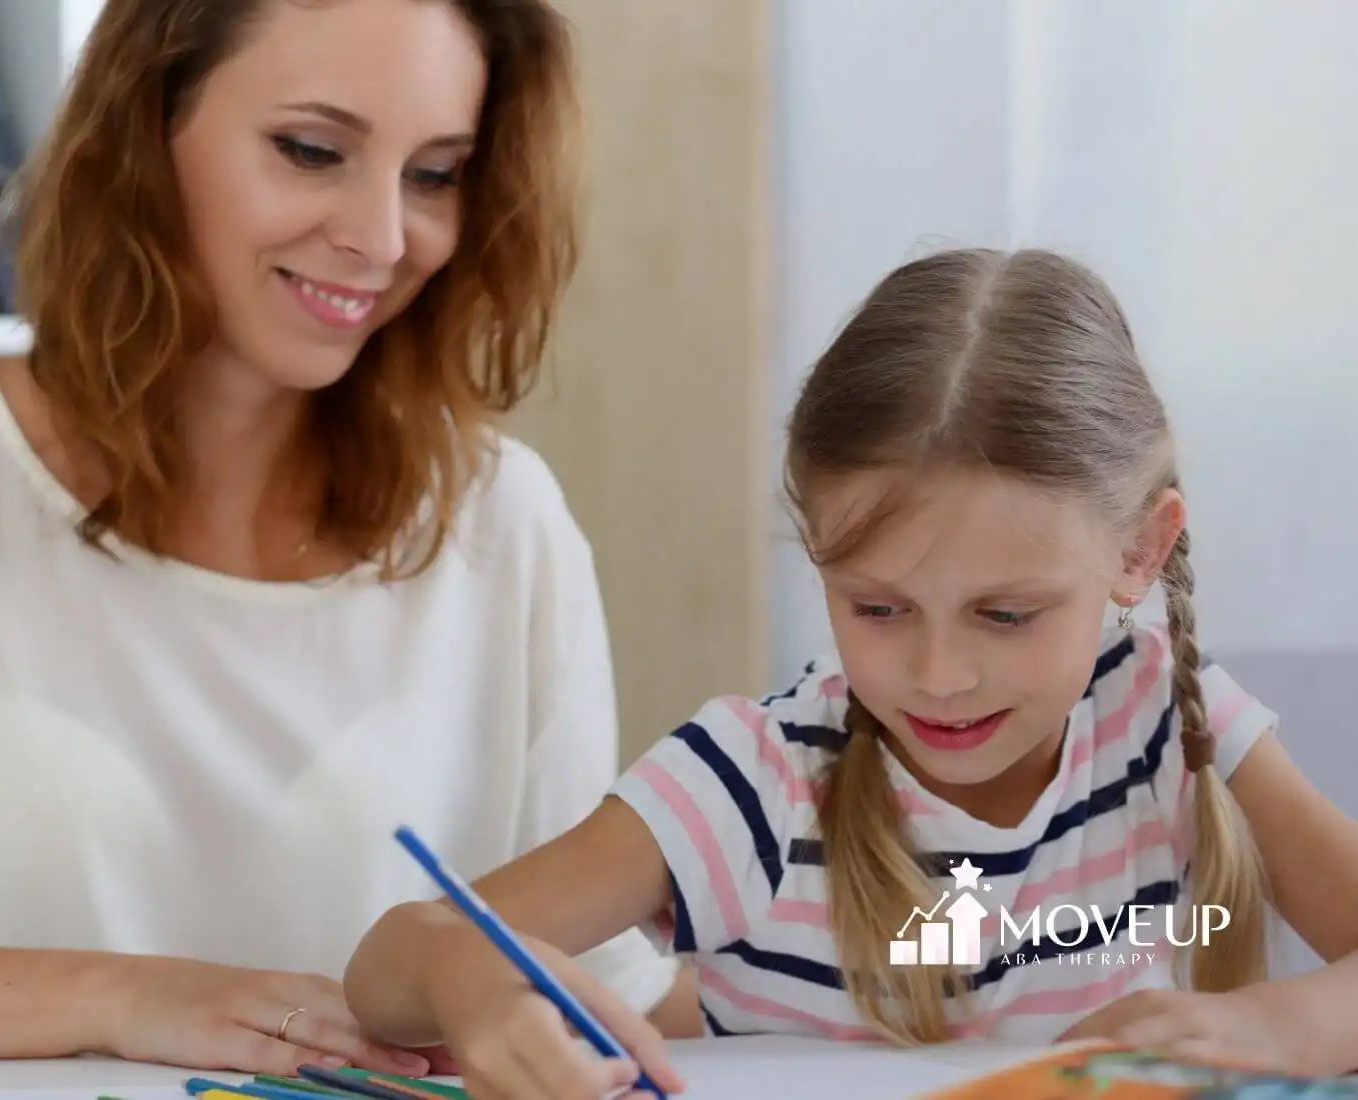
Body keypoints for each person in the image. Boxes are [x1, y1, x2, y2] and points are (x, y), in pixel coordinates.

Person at [344, 247, 1358, 1099]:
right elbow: (390, 963)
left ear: (1140, 550)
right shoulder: (754, 780)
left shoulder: (1166, 720)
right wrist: (463, 971)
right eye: (877, 607)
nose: (939, 674)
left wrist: (1302, 1020)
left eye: (1005, 613)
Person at [0, 0, 684, 1076]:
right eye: (312, 150)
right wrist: (127, 994)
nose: (382, 239)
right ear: (146, 128)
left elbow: (597, 985)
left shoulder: (503, 526)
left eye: (434, 173)